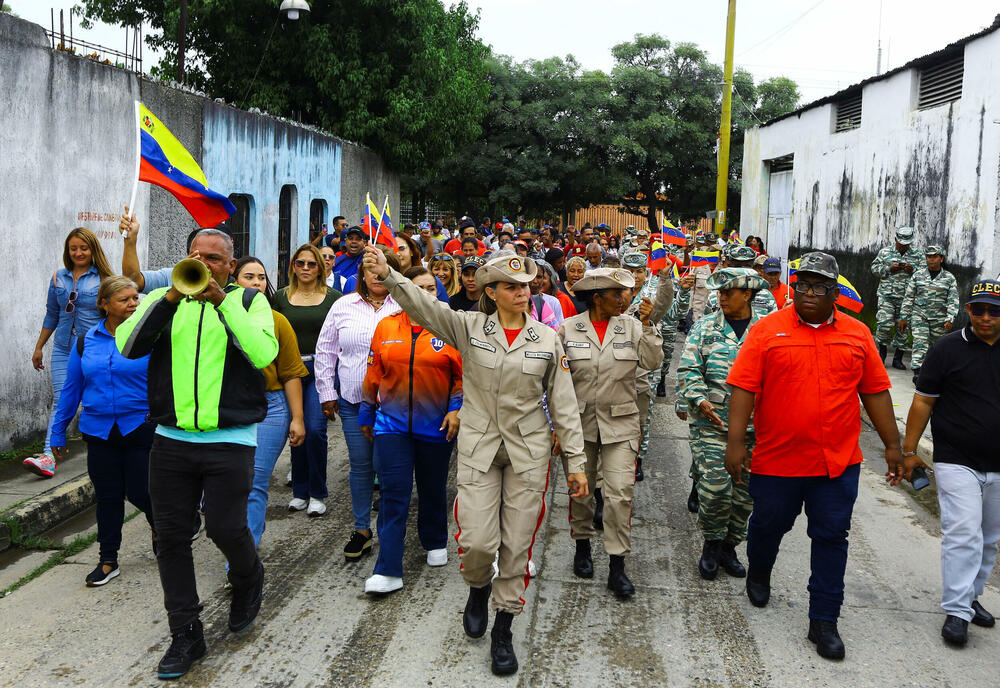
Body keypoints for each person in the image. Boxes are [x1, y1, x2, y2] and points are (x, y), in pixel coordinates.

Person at [362, 247, 588, 676]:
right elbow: (423, 305)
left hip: (527, 452)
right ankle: (478, 588)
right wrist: (389, 275)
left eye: (526, 286)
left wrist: (575, 462)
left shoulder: (546, 339)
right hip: (481, 448)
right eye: (511, 286)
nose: (522, 292)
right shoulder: (468, 327)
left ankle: (503, 626)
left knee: (517, 544)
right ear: (492, 292)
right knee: (478, 543)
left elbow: (563, 403)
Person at [724, 251, 903, 661]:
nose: (808, 293)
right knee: (768, 526)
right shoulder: (767, 330)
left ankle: (824, 620)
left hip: (837, 464)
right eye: (802, 284)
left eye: (819, 287)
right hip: (777, 461)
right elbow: (744, 387)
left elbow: (875, 392)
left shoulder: (857, 334)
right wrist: (736, 441)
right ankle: (760, 571)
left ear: (834, 293)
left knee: (831, 538)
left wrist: (894, 446)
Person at [116, 228, 278, 679]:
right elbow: (128, 346)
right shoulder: (162, 301)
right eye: (195, 256)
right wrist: (169, 299)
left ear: (230, 266)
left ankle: (248, 577)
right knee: (169, 538)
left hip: (231, 439)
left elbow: (263, 353)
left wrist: (223, 302)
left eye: (214, 258)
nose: (203, 263)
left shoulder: (249, 301)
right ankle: (185, 632)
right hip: (171, 440)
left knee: (226, 528)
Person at [899, 278, 1000, 647]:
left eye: (994, 311)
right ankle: (957, 611)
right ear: (967, 310)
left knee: (989, 540)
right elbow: (924, 400)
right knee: (963, 533)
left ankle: (971, 596)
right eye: (978, 309)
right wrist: (909, 451)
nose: (985, 317)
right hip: (957, 459)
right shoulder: (947, 348)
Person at [359, 266, 463, 594]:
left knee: (432, 487)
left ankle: (434, 539)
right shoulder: (386, 326)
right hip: (391, 425)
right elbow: (374, 372)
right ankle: (388, 568)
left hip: (436, 425)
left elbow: (462, 378)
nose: (424, 293)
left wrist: (456, 409)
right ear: (402, 291)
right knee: (393, 493)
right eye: (417, 287)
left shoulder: (451, 328)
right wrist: (366, 412)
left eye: (431, 288)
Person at [559, 268, 662, 597]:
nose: (624, 299)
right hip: (580, 426)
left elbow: (652, 362)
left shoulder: (633, 326)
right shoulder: (567, 329)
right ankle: (582, 546)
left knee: (619, 494)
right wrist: (554, 427)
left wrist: (649, 324)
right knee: (581, 491)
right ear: (597, 298)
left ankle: (617, 565)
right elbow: (555, 381)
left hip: (621, 425)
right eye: (617, 294)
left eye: (625, 293)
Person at [50, 275, 154, 586]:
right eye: (125, 299)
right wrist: (57, 432)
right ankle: (108, 559)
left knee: (141, 491)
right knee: (108, 497)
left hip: (140, 426)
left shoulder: (148, 338)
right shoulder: (86, 341)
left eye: (135, 298)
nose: (133, 304)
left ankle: (164, 526)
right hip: (98, 430)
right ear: (104, 304)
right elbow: (71, 389)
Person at [677, 268, 767, 581]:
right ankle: (712, 544)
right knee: (715, 489)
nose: (722, 297)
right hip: (710, 425)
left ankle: (730, 546)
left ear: (748, 294)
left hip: (754, 429)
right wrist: (699, 399)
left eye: (729, 292)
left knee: (744, 495)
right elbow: (688, 369)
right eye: (720, 292)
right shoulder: (705, 327)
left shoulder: (765, 330)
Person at [315, 246, 402, 560]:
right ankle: (362, 529)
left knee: (390, 468)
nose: (376, 276)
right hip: (353, 401)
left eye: (382, 269)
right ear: (361, 274)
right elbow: (326, 351)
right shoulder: (343, 305)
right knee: (361, 465)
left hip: (396, 405)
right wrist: (327, 393)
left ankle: (392, 531)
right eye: (370, 270)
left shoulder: (404, 305)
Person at [26, 227, 113, 478]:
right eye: (73, 248)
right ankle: (48, 456)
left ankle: (107, 449)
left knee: (97, 399)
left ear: (93, 250)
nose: (78, 253)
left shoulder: (105, 279)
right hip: (64, 348)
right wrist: (39, 347)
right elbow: (52, 315)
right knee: (62, 398)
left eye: (84, 248)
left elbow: (114, 317)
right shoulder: (58, 278)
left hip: (94, 347)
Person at [233, 256, 307, 545]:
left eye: (261, 277)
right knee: (231, 483)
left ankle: (244, 554)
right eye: (249, 277)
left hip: (270, 408)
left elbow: (291, 373)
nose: (256, 283)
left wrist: (297, 418)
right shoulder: (218, 316)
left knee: (254, 481)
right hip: (228, 407)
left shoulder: (278, 321)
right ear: (234, 281)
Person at [272, 244, 342, 516]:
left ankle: (317, 492)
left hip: (321, 369)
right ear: (293, 266)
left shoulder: (334, 298)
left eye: (312, 264)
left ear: (321, 268)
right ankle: (299, 491)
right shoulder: (280, 297)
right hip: (289, 370)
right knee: (296, 430)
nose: (305, 268)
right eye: (300, 263)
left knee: (314, 429)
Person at [898, 245, 959, 382]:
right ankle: (918, 373)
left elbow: (953, 300)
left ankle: (934, 372)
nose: (931, 260)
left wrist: (950, 318)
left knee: (937, 347)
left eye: (934, 257)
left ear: (941, 259)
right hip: (920, 316)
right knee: (920, 343)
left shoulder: (949, 278)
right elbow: (909, 297)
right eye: (928, 257)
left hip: (939, 319)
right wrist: (904, 317)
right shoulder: (918, 275)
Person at [871, 226, 919, 369]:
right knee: (884, 324)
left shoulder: (918, 255)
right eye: (901, 243)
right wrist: (888, 269)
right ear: (895, 240)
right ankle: (882, 354)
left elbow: (924, 274)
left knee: (903, 328)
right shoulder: (885, 252)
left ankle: (898, 359)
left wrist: (913, 270)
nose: (903, 246)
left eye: (906, 244)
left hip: (907, 298)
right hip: (887, 296)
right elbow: (874, 269)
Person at [527, 260, 564, 328]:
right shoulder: (519, 301)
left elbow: (559, 329)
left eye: (539, 277)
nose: (535, 281)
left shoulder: (553, 302)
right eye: (532, 276)